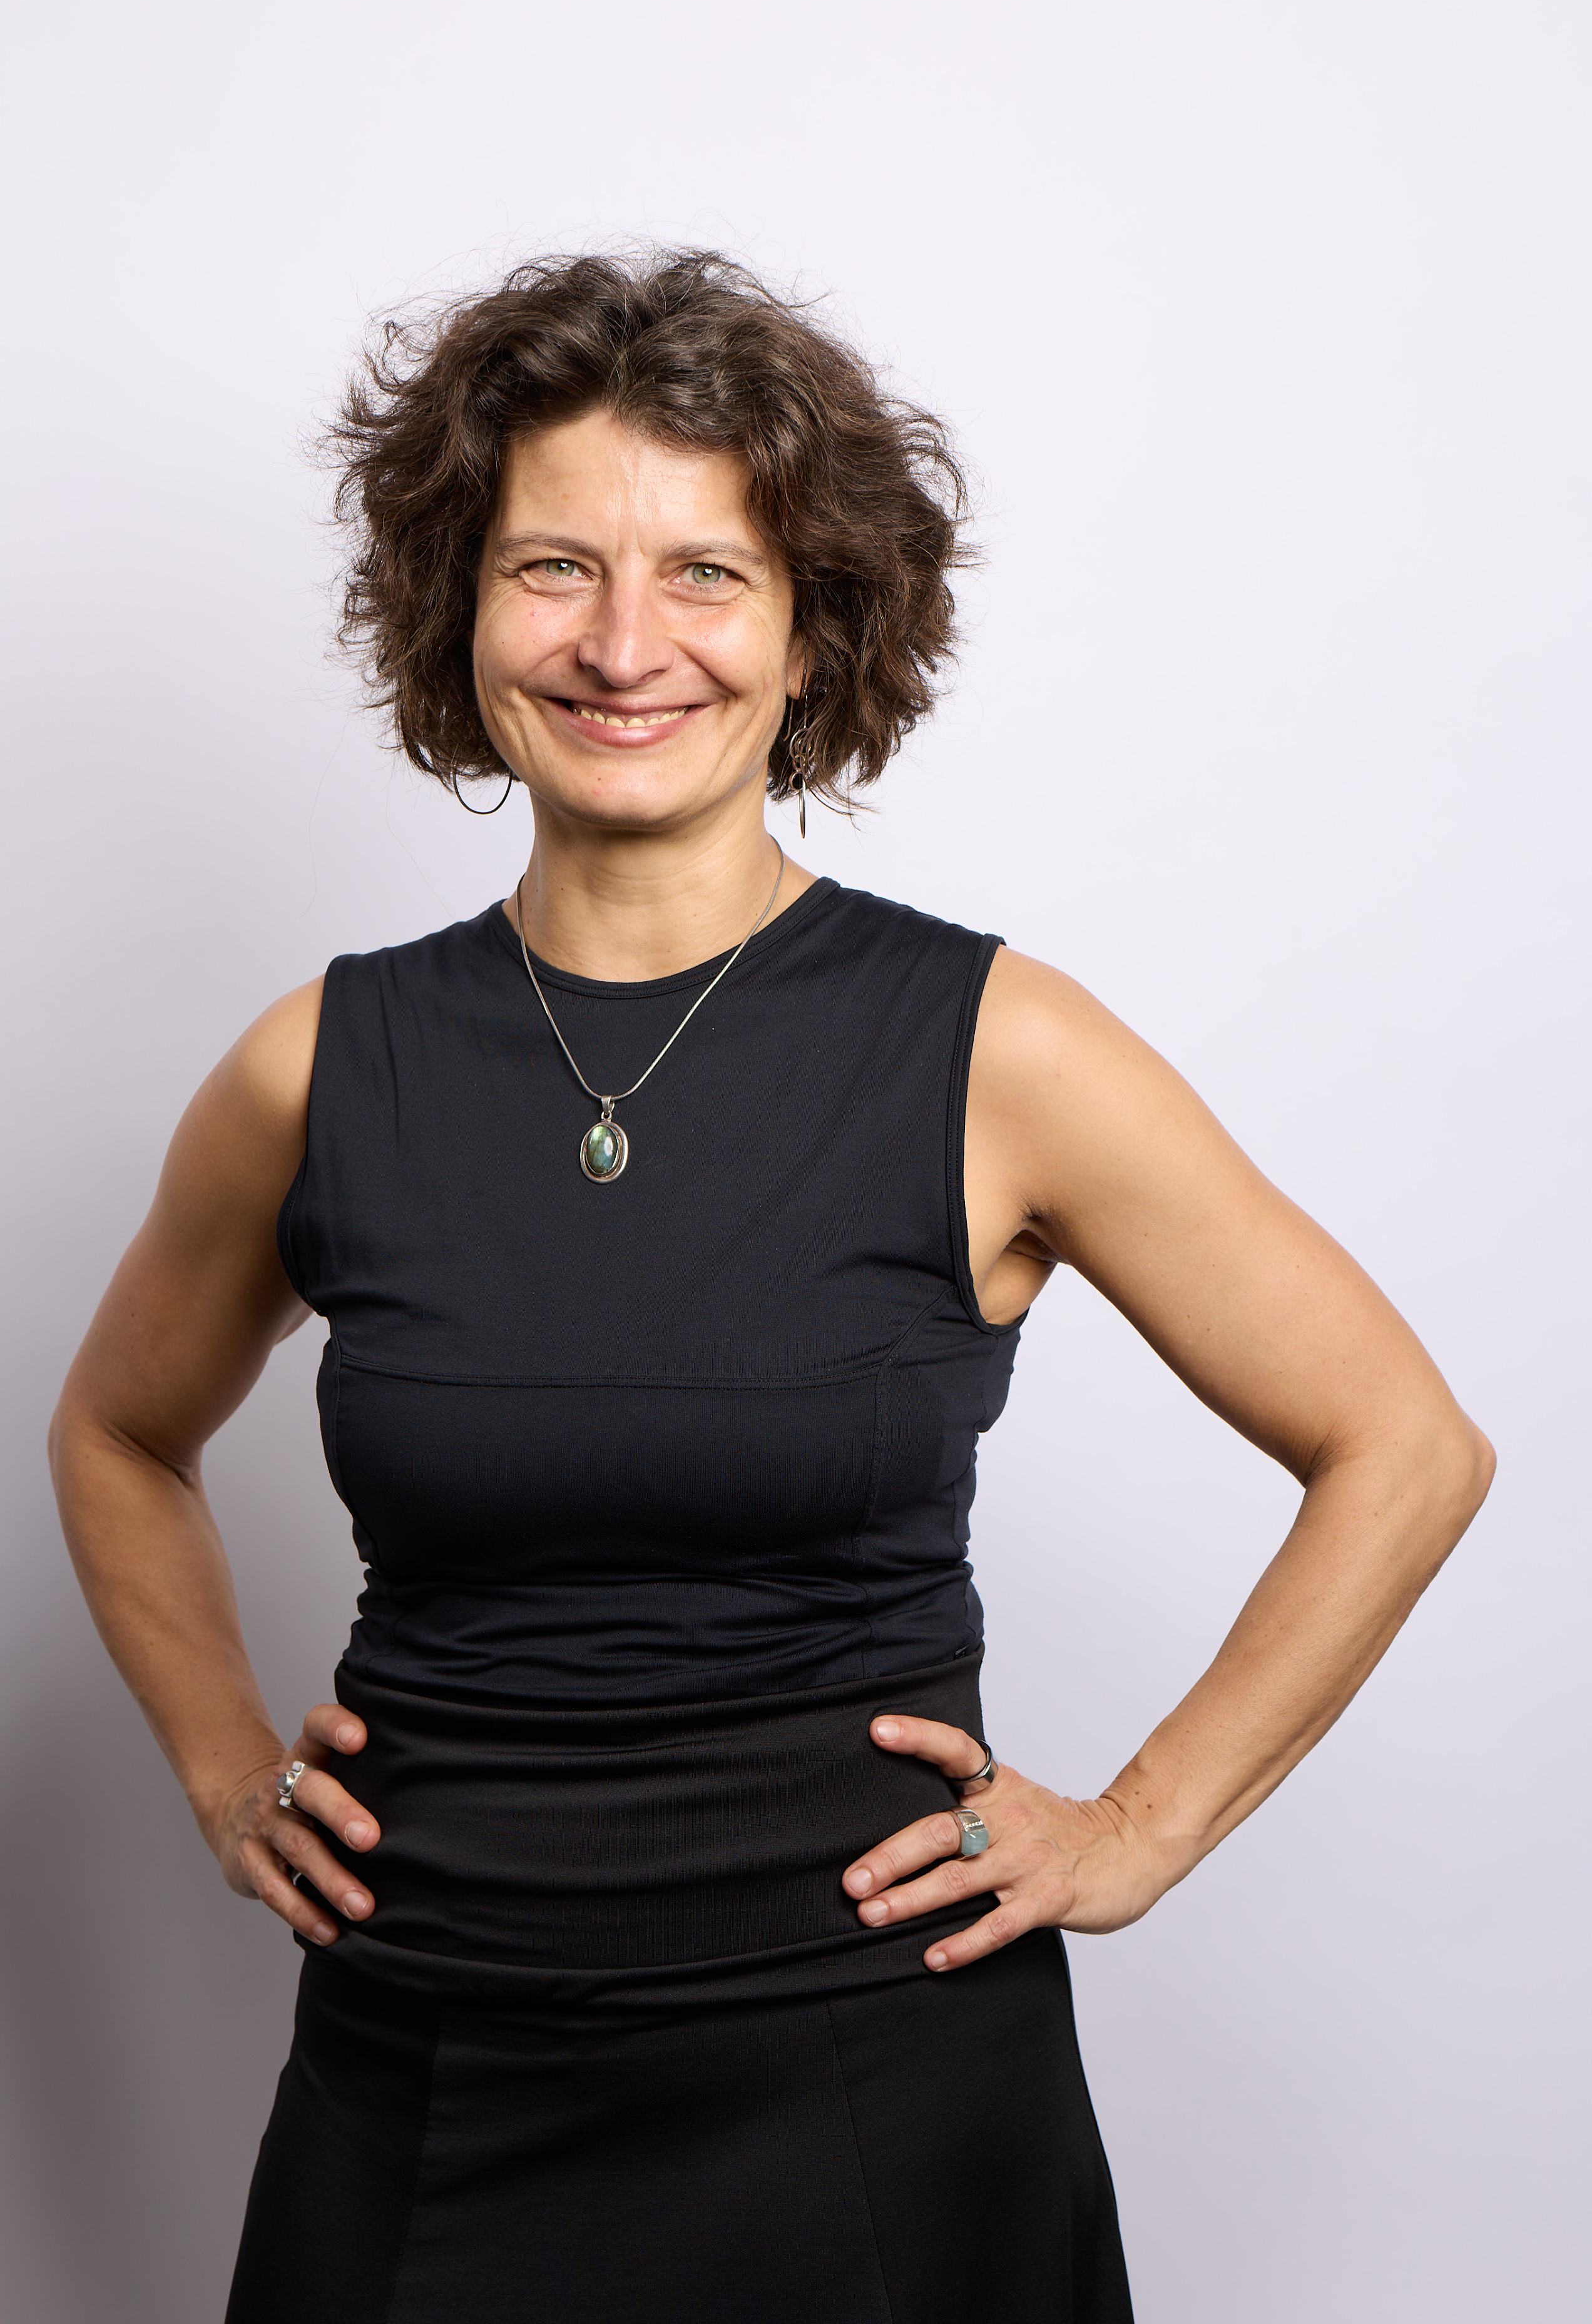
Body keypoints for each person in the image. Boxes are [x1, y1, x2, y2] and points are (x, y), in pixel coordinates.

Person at [49, 250, 1494, 2324]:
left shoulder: (998, 1051)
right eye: (553, 567)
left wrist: (1140, 1828)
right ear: (459, 608)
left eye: (705, 575)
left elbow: (1403, 1447)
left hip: (880, 2075)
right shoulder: (317, 1069)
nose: (623, 643)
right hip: (424, 2068)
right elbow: (117, 1430)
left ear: (813, 628)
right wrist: (217, 1765)